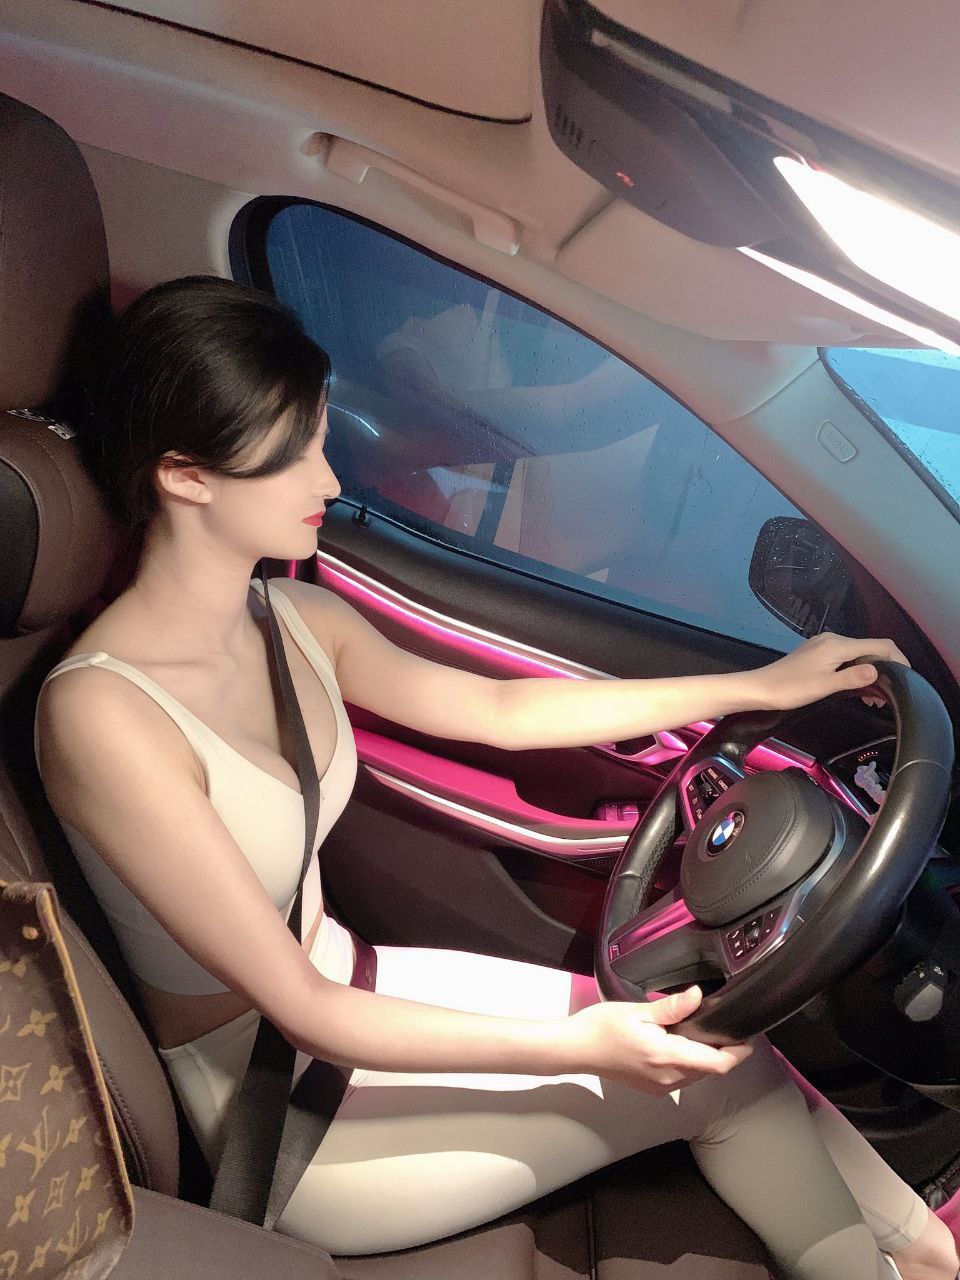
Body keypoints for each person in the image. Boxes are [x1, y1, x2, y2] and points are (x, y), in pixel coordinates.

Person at [34, 276, 958, 1280]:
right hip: (282, 1113)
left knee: (710, 1030)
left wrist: (759, 684)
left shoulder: (295, 619)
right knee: (712, 1075)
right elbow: (300, 1005)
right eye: (293, 450)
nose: (331, 476)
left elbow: (506, 712)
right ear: (186, 476)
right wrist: (589, 1047)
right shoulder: (103, 715)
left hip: (356, 986)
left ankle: (927, 1254)